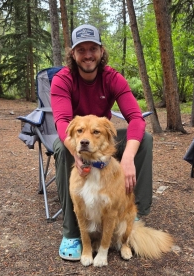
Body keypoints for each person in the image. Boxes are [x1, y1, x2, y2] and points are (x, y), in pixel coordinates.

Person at [50, 24, 153, 261]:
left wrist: (127, 158)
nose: (87, 55)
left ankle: (133, 212)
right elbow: (62, 122)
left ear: (101, 51)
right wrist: (76, 150)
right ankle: (72, 232)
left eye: (93, 48)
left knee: (143, 140)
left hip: (102, 135)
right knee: (62, 148)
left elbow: (136, 118)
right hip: (76, 137)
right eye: (81, 49)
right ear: (72, 53)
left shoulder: (112, 78)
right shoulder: (62, 80)